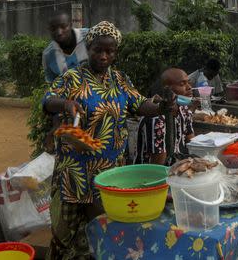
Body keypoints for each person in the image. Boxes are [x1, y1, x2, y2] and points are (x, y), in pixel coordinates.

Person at [42, 21, 166, 259]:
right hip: (75, 172)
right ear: (88, 49)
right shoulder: (72, 78)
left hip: (109, 174)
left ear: (115, 52)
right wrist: (65, 103)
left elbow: (140, 104)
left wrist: (161, 106)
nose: (103, 56)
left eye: (109, 51)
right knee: (63, 235)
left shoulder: (120, 80)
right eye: (98, 50)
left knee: (103, 235)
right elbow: (48, 100)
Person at [135, 68, 194, 165]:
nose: (189, 87)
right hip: (151, 173)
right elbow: (158, 163)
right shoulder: (156, 119)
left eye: (188, 83)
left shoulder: (184, 110)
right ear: (167, 88)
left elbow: (192, 143)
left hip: (178, 165)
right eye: (182, 84)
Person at [42, 9, 89, 83]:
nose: (59, 32)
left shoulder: (89, 37)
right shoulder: (48, 55)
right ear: (49, 30)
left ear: (70, 25)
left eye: (63, 26)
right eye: (53, 28)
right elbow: (53, 85)